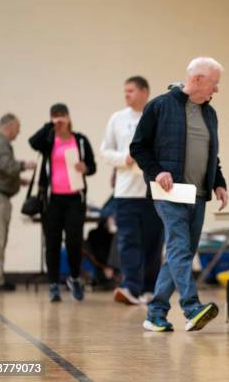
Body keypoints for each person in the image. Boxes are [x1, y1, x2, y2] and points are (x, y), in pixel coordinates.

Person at [130, 57, 229, 332]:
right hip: (169, 192)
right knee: (178, 248)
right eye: (215, 82)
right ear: (197, 79)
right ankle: (191, 307)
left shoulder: (210, 114)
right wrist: (156, 171)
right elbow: (138, 147)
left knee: (180, 253)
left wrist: (218, 182)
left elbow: (213, 155)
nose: (217, 89)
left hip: (197, 195)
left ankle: (156, 313)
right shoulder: (160, 107)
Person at [101, 76, 163, 305]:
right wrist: (124, 159)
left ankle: (149, 289)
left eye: (131, 91)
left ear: (145, 92)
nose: (126, 95)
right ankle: (130, 287)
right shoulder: (117, 119)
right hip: (125, 193)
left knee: (153, 243)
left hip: (152, 192)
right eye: (125, 91)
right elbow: (105, 152)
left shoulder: (156, 116)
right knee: (128, 241)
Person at [29, 103, 97, 302]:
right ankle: (53, 285)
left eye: (61, 115)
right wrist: (48, 126)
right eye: (55, 116)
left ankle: (75, 278)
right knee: (52, 243)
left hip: (75, 199)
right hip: (52, 200)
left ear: (68, 117)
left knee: (74, 242)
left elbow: (93, 166)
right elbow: (33, 142)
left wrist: (86, 167)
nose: (59, 119)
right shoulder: (48, 140)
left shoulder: (81, 140)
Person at [0, 114, 36, 292]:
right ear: (10, 127)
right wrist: (24, 165)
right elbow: (5, 165)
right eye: (17, 130)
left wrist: (18, 181)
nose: (17, 134)